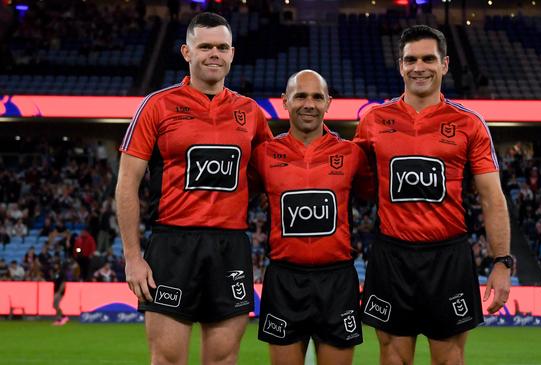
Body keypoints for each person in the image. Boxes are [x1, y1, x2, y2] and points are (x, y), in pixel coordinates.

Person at [115, 13, 272, 365]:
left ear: (232, 53)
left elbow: (272, 174)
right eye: (205, 46)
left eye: (221, 47)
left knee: (223, 360)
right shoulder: (157, 105)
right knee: (167, 360)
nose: (213, 54)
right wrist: (132, 257)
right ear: (187, 52)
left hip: (230, 245)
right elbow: (127, 182)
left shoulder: (251, 112)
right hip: (173, 245)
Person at [353, 25, 511, 364]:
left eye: (428, 58)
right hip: (391, 255)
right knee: (393, 356)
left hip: (448, 257)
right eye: (410, 59)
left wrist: (502, 262)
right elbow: (348, 183)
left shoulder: (469, 123)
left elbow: (492, 198)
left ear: (445, 64)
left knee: (449, 358)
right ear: (400, 66)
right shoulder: (374, 120)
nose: (418, 66)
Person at [249, 70, 373, 365]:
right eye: (300, 96)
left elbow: (375, 194)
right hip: (284, 281)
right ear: (284, 101)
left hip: (337, 281)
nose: (309, 104)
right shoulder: (264, 155)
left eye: (317, 97)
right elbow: (238, 197)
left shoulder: (352, 154)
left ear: (328, 102)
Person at [52, 261, 69, 326]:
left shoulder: (61, 273)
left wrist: (59, 292)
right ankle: (63, 317)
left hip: (60, 291)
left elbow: (63, 283)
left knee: (55, 304)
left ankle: (59, 319)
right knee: (55, 305)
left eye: (56, 265)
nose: (55, 266)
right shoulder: (56, 273)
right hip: (56, 291)